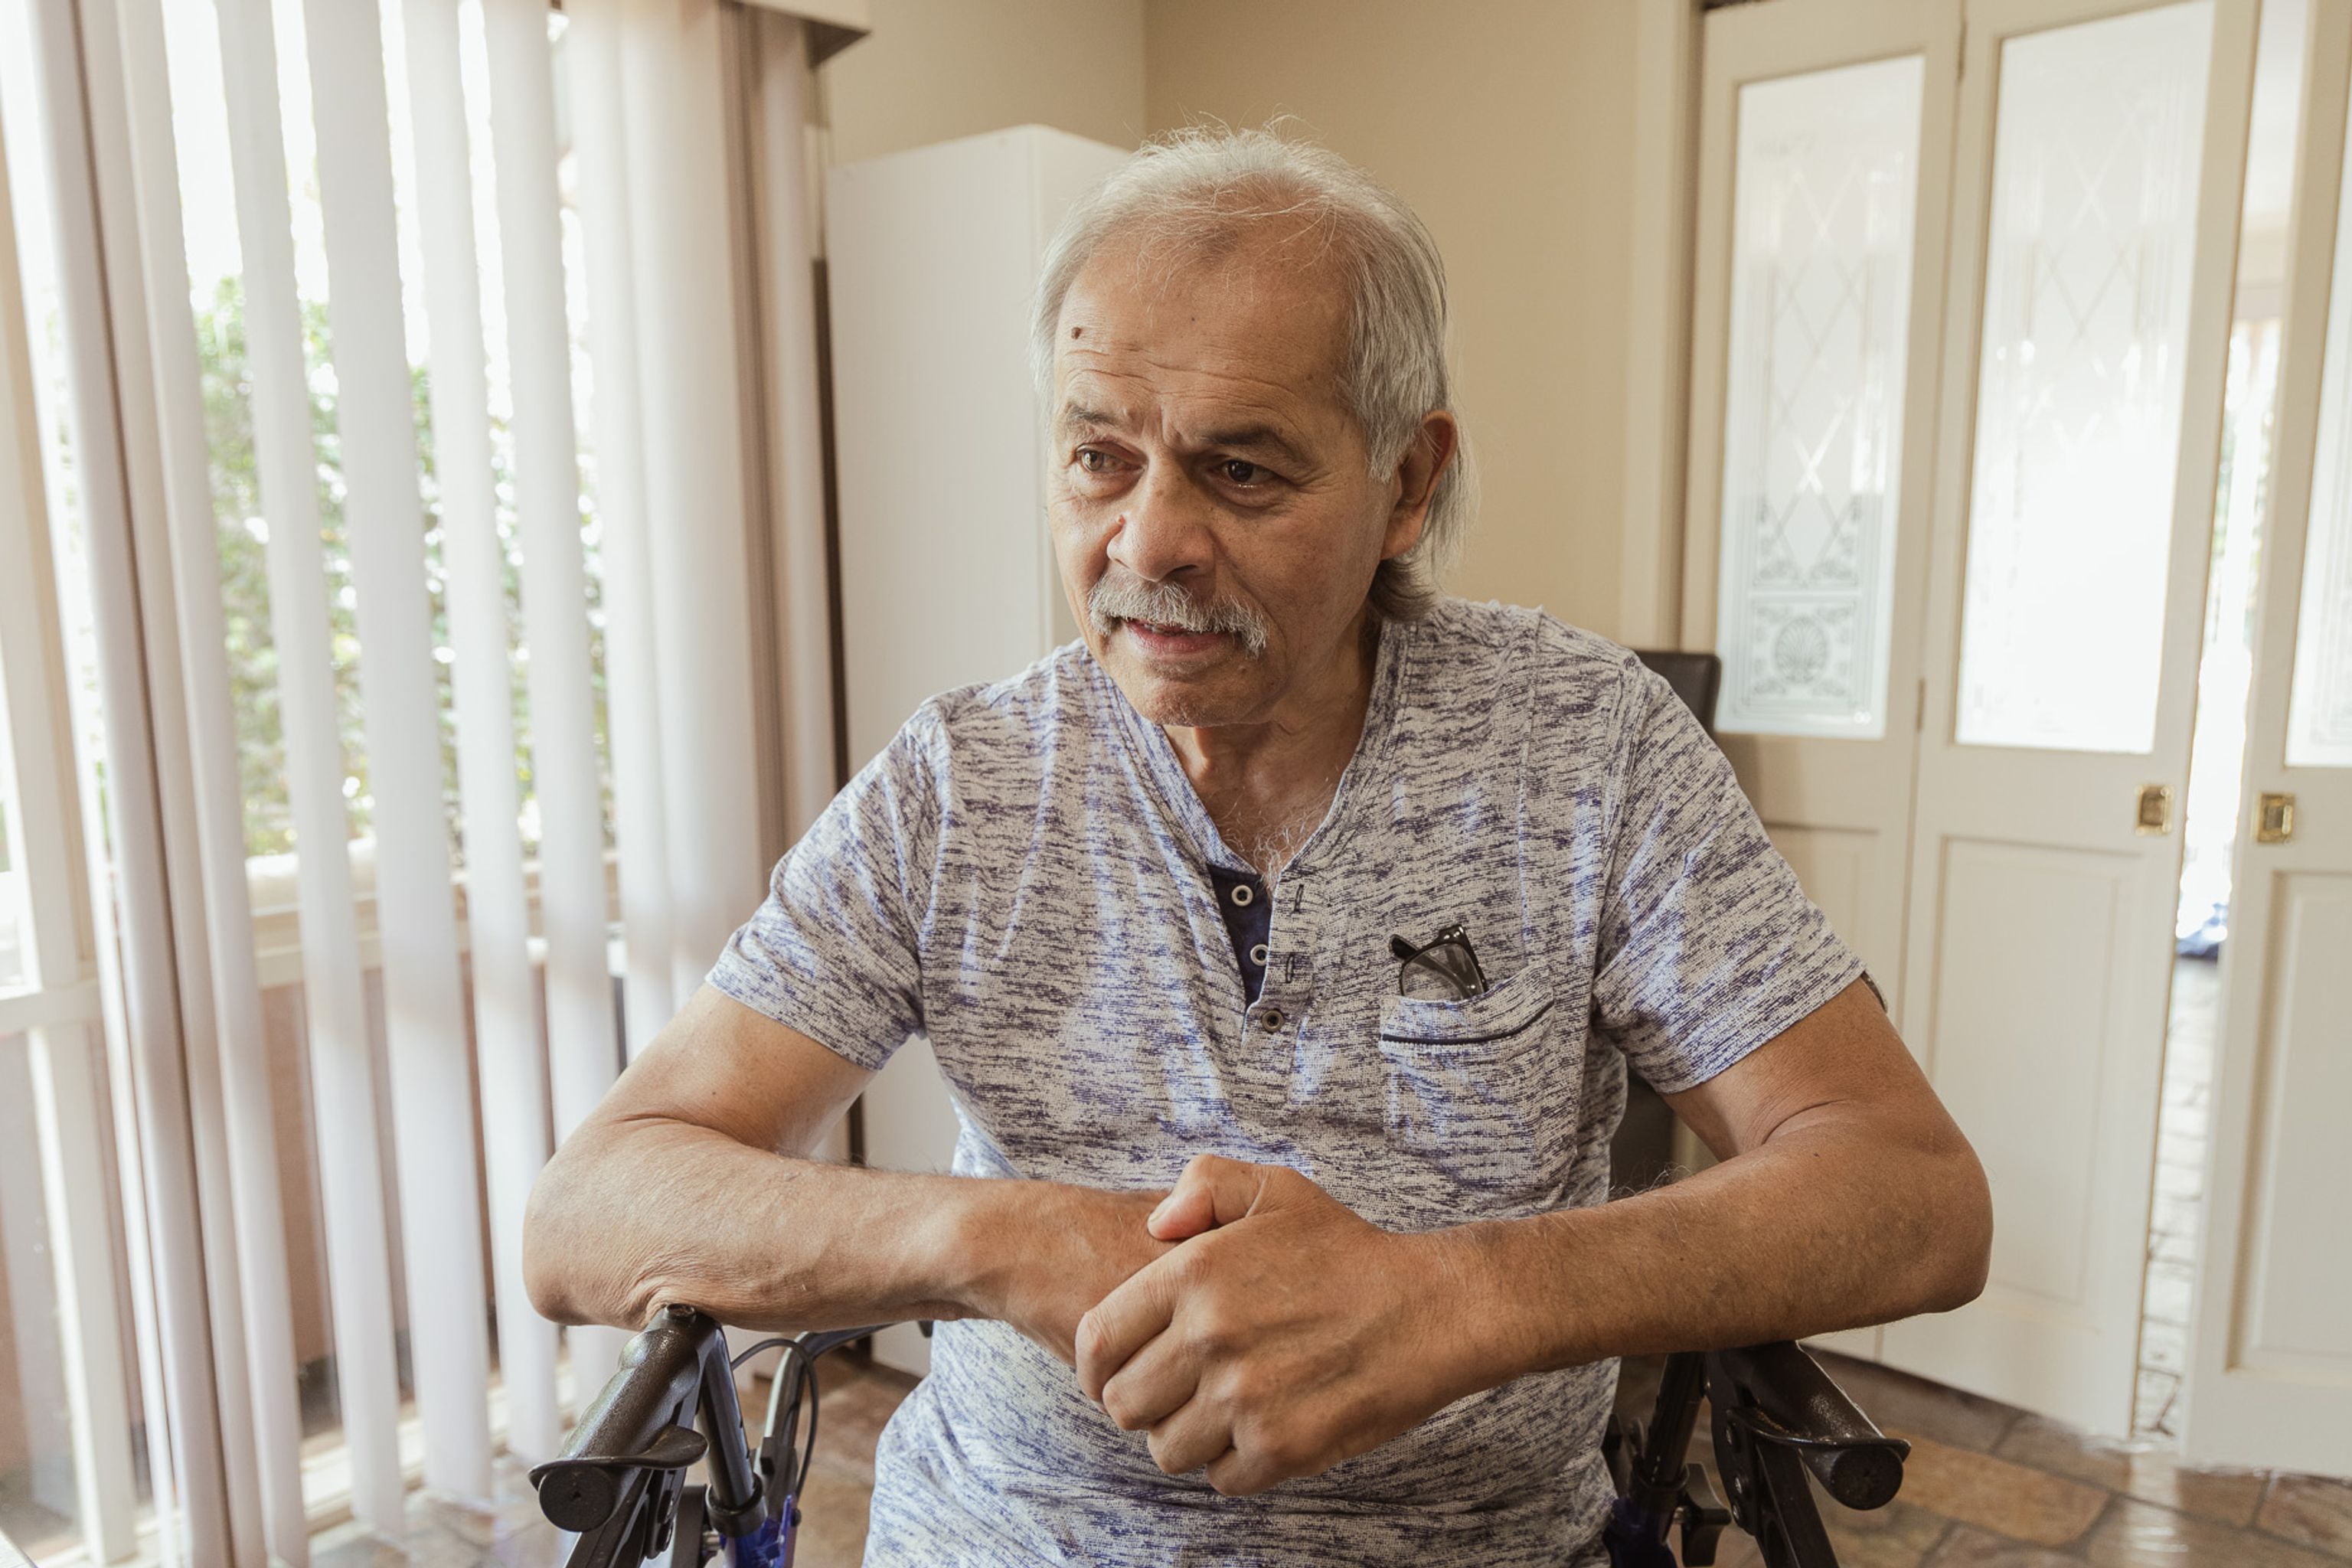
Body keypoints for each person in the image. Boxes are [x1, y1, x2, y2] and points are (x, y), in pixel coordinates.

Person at [523, 127, 1991, 1566]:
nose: (1146, 543)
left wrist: (1456, 1299)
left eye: (1241, 473)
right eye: (1099, 458)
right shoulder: (962, 783)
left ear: (1409, 487)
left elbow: (1908, 1192)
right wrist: (1009, 1239)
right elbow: (592, 1211)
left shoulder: (1584, 746)